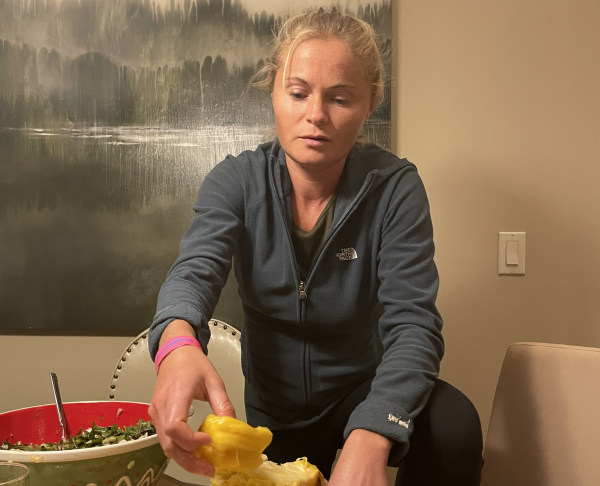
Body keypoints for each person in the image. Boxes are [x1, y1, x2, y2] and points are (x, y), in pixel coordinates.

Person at [148, 9, 483, 486]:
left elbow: (414, 326)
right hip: (275, 416)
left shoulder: (395, 188)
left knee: (454, 426)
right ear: (274, 92)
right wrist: (177, 344)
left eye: (340, 98)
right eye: (298, 92)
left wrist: (374, 429)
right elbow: (192, 273)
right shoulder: (235, 181)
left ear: (370, 104)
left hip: (362, 397)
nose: (316, 115)